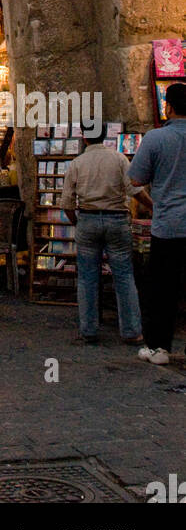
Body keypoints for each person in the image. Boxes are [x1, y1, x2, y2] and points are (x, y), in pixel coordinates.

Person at [60, 124, 147, 345]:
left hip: (87, 219)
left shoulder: (77, 163)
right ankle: (131, 331)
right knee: (124, 276)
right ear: (104, 134)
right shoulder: (118, 159)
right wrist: (155, 206)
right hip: (116, 219)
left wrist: (78, 223)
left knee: (88, 278)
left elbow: (68, 203)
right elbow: (134, 190)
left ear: (83, 137)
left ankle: (89, 330)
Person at [130, 81, 186, 365]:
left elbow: (136, 179)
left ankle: (159, 348)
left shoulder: (155, 139)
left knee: (162, 289)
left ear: (169, 106)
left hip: (168, 226)